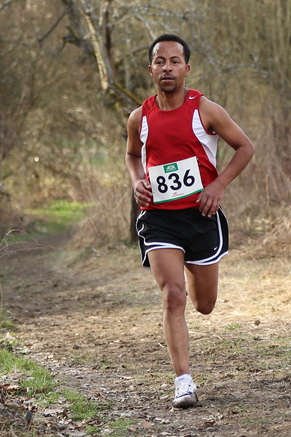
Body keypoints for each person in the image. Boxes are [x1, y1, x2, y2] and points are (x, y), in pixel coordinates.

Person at [125, 34, 254, 409]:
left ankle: (196, 285)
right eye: (160, 61)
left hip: (200, 216)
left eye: (174, 61)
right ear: (150, 70)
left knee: (204, 304)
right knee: (173, 295)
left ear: (187, 68)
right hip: (159, 218)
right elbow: (132, 155)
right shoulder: (139, 117)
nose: (167, 67)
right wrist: (137, 182)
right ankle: (183, 382)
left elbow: (245, 147)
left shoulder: (206, 110)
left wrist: (218, 184)